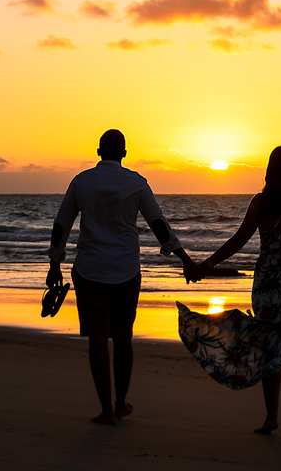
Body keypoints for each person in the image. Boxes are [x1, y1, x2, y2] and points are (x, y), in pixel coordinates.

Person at [179, 145, 281, 434]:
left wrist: (206, 265)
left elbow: (238, 240)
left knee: (269, 348)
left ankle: (271, 417)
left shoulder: (261, 202)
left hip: (268, 284)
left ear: (270, 171)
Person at [47, 129, 198, 425]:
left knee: (97, 338)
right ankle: (120, 404)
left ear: (98, 151)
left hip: (90, 269)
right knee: (123, 337)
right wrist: (185, 259)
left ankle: (106, 410)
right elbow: (158, 223)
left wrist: (55, 262)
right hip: (126, 270)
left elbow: (61, 224)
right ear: (124, 153)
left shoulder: (81, 182)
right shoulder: (136, 182)